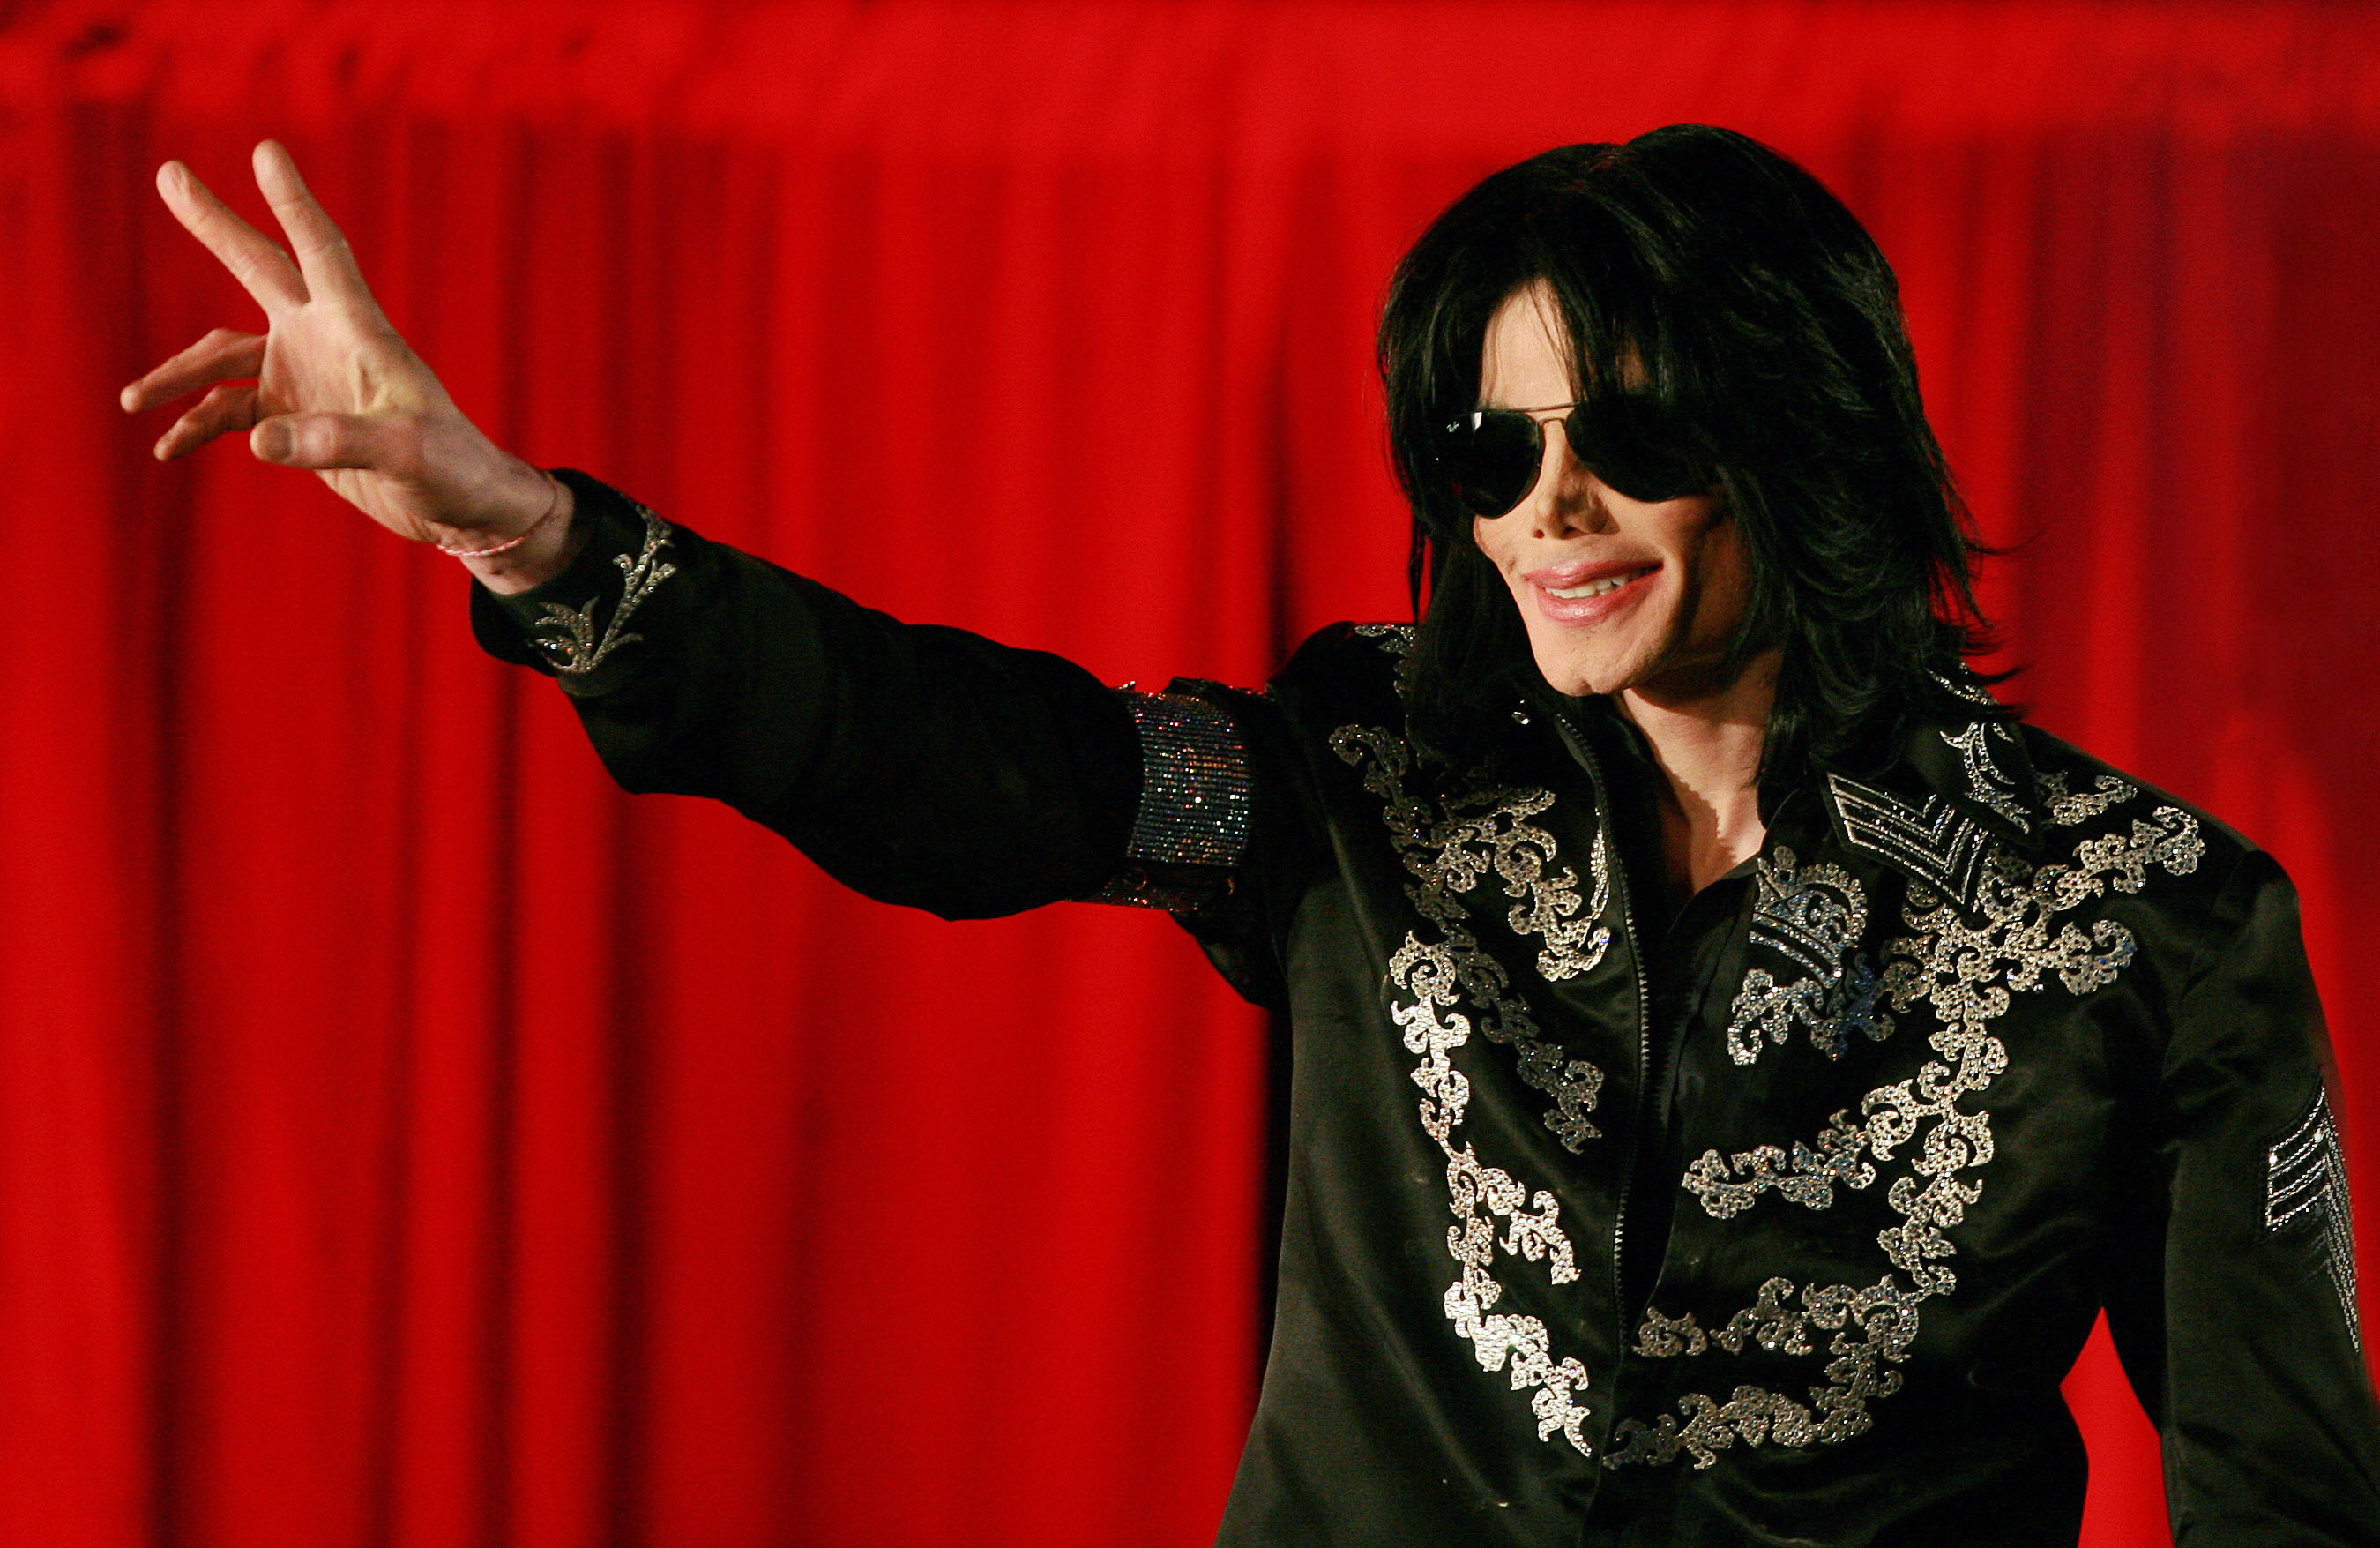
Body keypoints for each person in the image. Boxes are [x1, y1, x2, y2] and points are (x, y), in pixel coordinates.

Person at [123, 126, 2380, 1545]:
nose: (1549, 513)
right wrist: (527, 531)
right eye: (1490, 451)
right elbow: (962, 757)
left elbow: (2287, 1488)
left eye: (1627, 437)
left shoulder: (2155, 920)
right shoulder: (1357, 785)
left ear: (1809, 440)